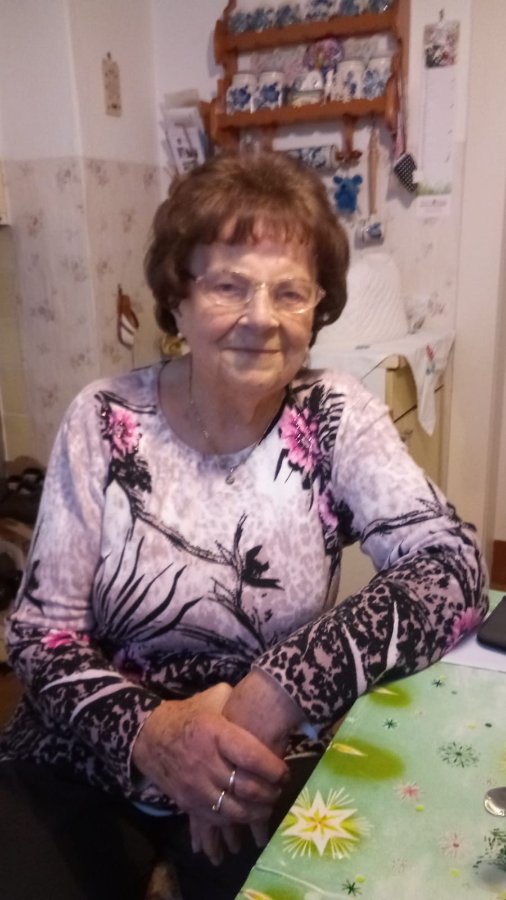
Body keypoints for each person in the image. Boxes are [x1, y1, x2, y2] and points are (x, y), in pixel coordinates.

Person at [0, 150, 488, 900]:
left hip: (260, 765)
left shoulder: (333, 416)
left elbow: (452, 566)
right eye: (229, 285)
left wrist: (280, 688)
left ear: (317, 309)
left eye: (289, 292)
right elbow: (40, 635)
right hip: (87, 754)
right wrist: (155, 735)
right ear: (179, 300)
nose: (261, 318)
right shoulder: (103, 419)